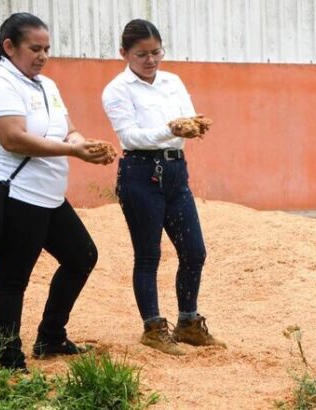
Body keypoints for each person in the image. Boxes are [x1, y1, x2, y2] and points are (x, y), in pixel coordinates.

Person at [0, 12, 115, 371]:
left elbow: (67, 129)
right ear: (9, 47)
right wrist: (73, 151)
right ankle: (9, 359)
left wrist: (85, 144)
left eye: (46, 49)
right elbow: (13, 138)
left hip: (49, 196)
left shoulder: (45, 85)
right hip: (19, 196)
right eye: (34, 48)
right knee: (12, 280)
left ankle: (50, 336)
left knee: (82, 256)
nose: (42, 55)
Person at [102, 19, 224, 356]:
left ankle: (188, 322)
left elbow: (187, 116)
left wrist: (194, 125)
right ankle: (153, 327)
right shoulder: (117, 90)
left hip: (174, 170)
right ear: (124, 53)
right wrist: (170, 130)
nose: (151, 60)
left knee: (195, 251)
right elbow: (129, 136)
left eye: (156, 52)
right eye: (141, 54)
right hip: (140, 172)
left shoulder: (172, 81)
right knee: (148, 255)